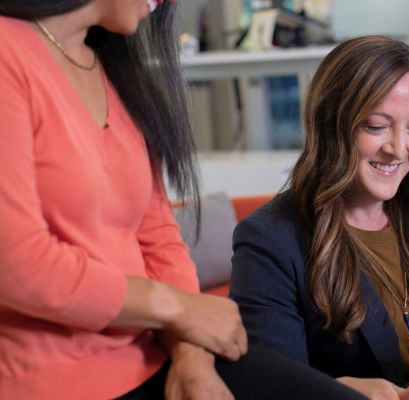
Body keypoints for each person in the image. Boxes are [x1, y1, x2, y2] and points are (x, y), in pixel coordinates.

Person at [0, 1, 369, 399]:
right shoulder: (9, 52)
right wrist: (178, 308)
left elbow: (158, 236)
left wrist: (191, 354)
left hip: (159, 356)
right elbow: (17, 265)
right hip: (55, 379)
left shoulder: (109, 67)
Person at [230, 35, 409, 400]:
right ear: (332, 125)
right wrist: (338, 392)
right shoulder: (271, 239)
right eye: (377, 126)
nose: (399, 148)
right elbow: (270, 387)